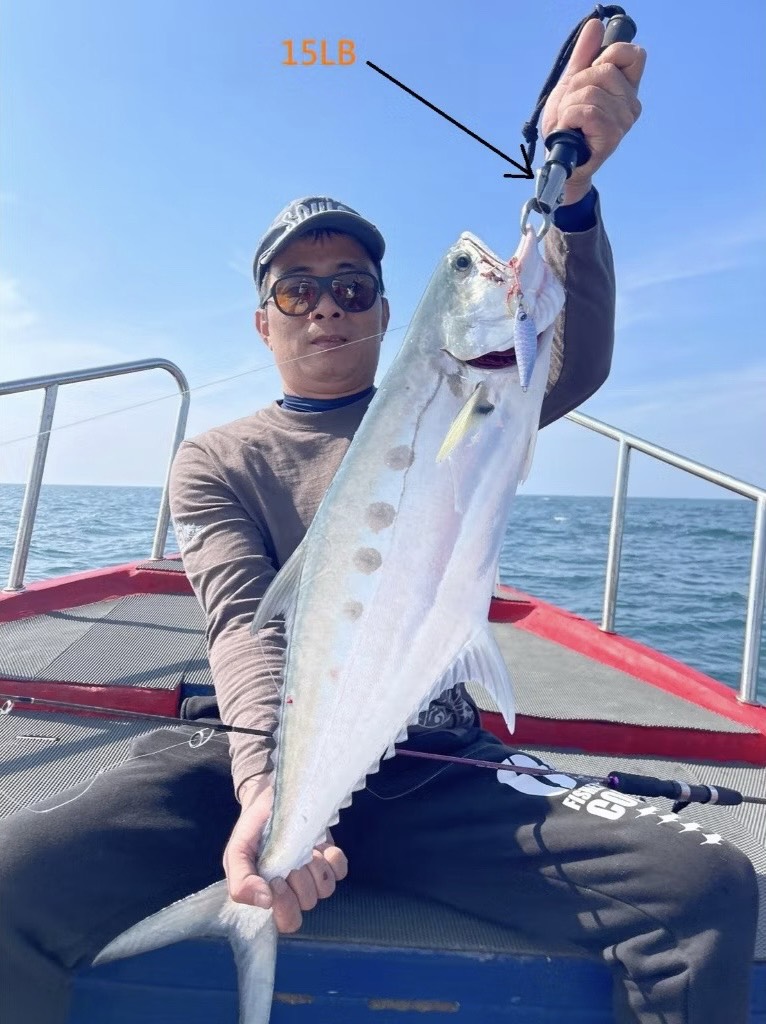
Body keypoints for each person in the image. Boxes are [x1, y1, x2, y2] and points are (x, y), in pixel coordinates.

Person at [0, 22, 757, 1024]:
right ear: (263, 321)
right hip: (248, 747)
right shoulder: (219, 458)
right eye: (296, 289)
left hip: (435, 761)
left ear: (387, 313)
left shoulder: (467, 403)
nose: (326, 307)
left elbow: (569, 356)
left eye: (351, 287)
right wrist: (268, 793)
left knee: (708, 889)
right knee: (10, 880)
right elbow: (244, 625)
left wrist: (571, 198)